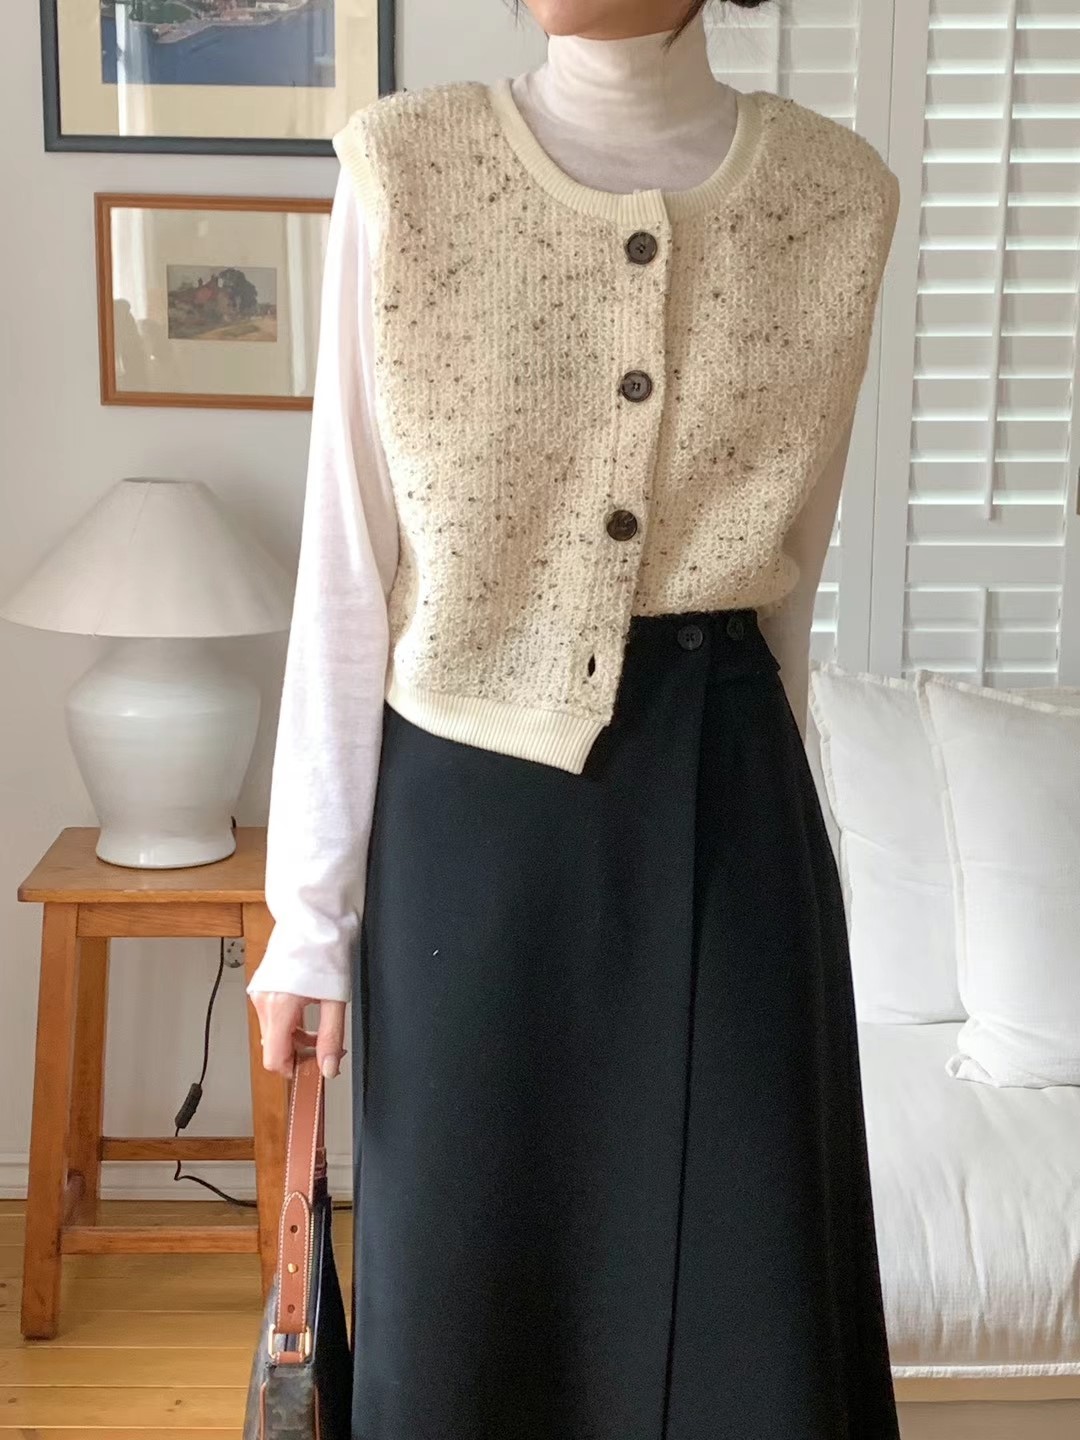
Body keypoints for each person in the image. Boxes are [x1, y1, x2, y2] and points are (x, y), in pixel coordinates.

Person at [248, 2, 902, 1435]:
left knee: (750, 1332)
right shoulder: (405, 168)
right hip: (465, 852)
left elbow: (791, 584)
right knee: (471, 1320)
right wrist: (309, 916)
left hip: (735, 826)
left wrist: (796, 876)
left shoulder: (836, 197)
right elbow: (347, 566)